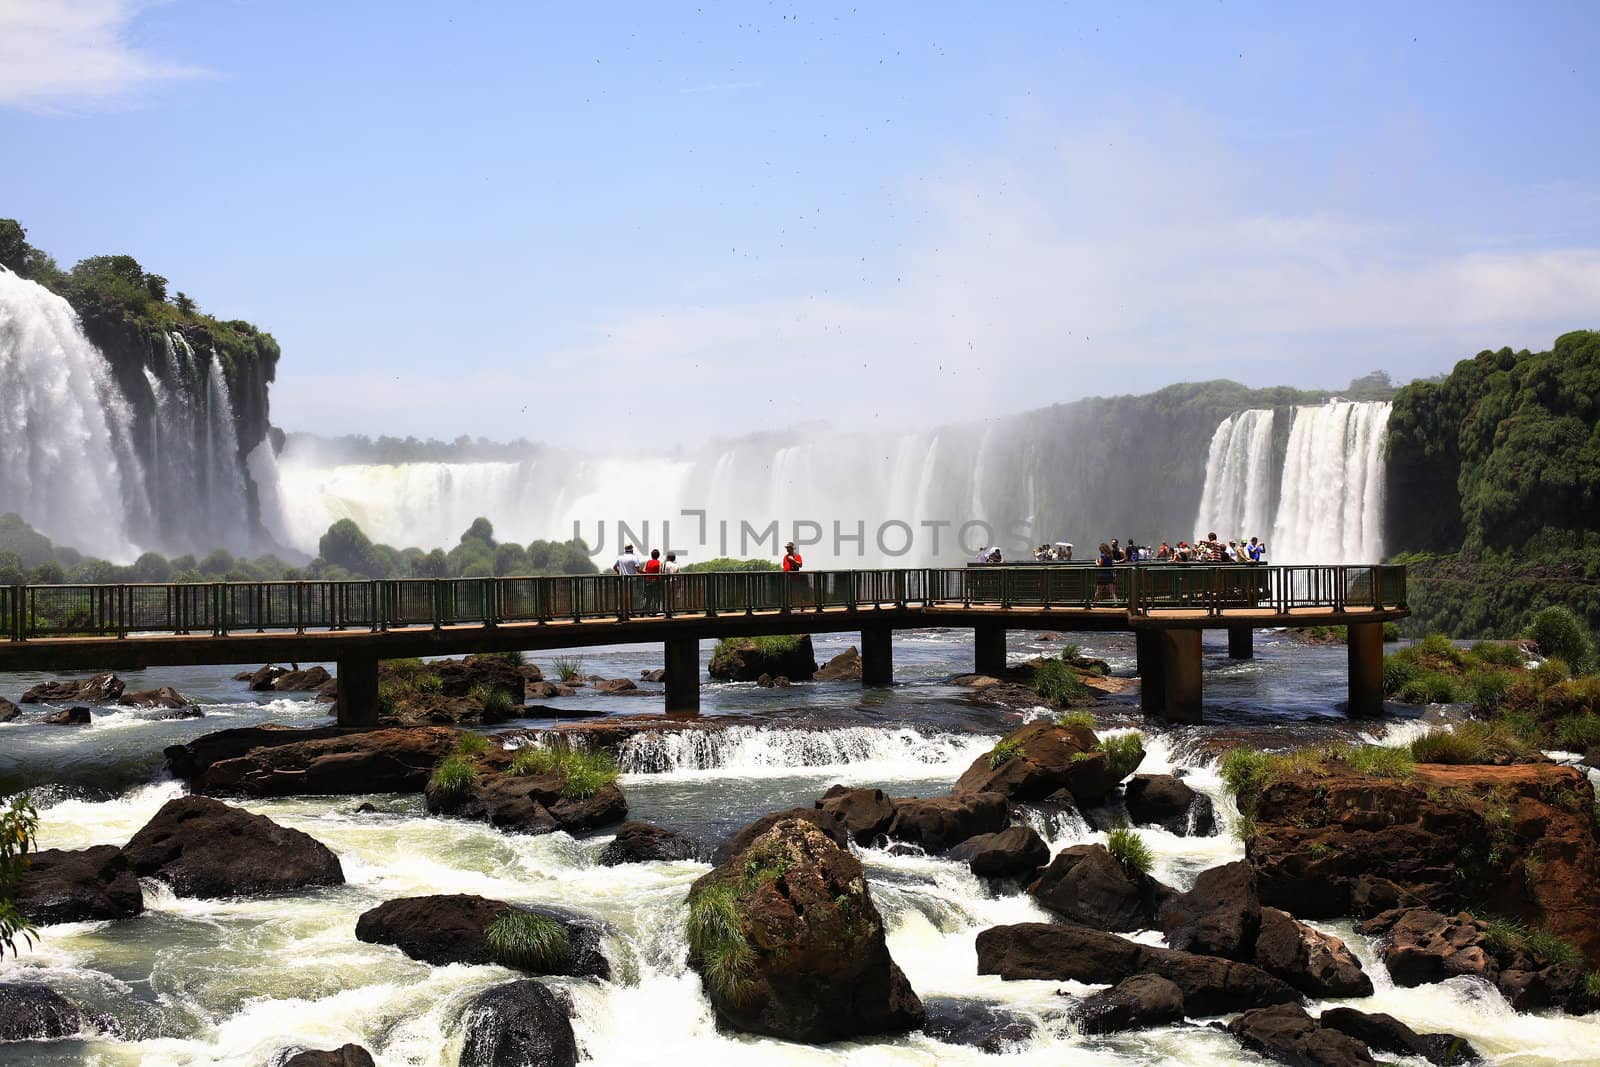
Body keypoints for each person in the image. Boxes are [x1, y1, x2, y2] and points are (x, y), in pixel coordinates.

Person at [641, 548, 663, 613]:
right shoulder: (659, 563)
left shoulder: (648, 562)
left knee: (648, 597)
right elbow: (660, 573)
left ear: (651, 555)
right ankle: (654, 611)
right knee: (655, 597)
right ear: (658, 556)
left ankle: (643, 611)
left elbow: (644, 570)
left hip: (648, 582)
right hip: (655, 582)